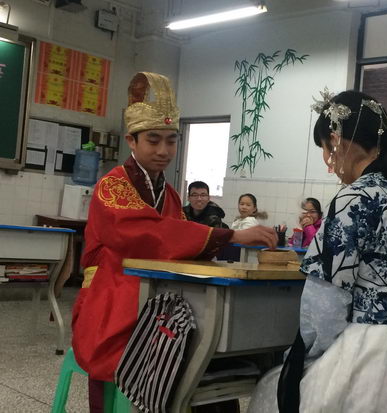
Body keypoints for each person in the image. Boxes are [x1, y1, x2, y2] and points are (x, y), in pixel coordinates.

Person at [248, 90, 387, 413]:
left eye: (325, 150)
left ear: (335, 140)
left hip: (375, 364)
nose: (328, 161)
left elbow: (325, 303)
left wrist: (309, 355)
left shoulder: (354, 198)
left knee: (272, 391)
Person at [71, 72, 277, 412]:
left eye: (171, 141)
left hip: (151, 295)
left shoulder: (167, 192)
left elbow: (177, 240)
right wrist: (231, 235)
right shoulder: (112, 186)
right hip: (112, 294)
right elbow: (149, 235)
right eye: (153, 140)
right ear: (131, 141)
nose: (164, 151)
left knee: (203, 349)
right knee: (173, 351)